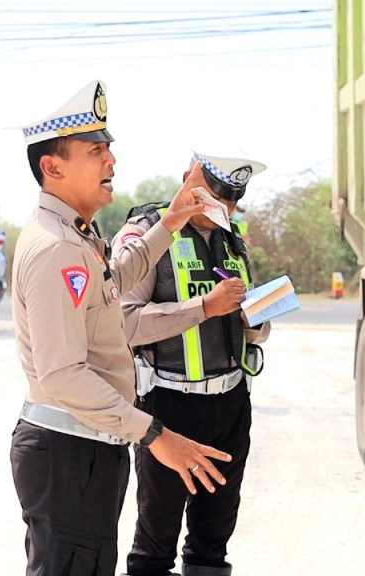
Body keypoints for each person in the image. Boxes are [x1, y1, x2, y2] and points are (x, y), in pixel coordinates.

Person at [9, 80, 235, 576]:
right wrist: (154, 434)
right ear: (53, 167)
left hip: (88, 450)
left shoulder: (77, 235)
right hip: (68, 454)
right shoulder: (56, 249)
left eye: (109, 149)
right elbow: (62, 374)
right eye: (95, 151)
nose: (111, 161)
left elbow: (116, 276)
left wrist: (171, 221)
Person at [113, 153, 271, 576]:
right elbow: (123, 324)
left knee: (212, 544)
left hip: (232, 402)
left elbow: (253, 327)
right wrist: (204, 306)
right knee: (155, 544)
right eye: (215, 197)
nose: (224, 210)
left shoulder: (232, 236)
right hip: (169, 405)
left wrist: (254, 318)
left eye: (233, 202)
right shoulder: (145, 233)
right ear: (188, 180)